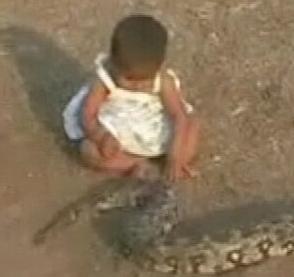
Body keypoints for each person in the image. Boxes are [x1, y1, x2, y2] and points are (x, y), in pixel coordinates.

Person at [62, 14, 199, 180]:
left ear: (159, 66)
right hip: (118, 129)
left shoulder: (163, 80)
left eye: (145, 80)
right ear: (113, 63)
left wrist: (176, 153)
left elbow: (179, 116)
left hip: (153, 126)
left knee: (192, 125)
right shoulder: (105, 79)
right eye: (129, 79)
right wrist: (101, 135)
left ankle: (176, 163)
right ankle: (133, 163)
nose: (137, 86)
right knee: (88, 150)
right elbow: (88, 113)